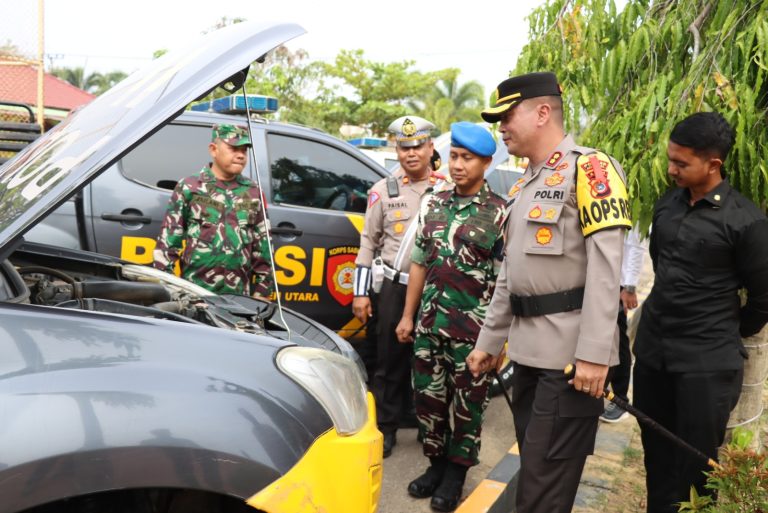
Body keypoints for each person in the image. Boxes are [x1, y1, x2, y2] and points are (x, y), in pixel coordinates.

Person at [466, 71, 631, 513]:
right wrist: (489, 342)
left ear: (542, 112)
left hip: (572, 362)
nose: (501, 127)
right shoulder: (525, 184)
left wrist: (596, 355)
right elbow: (510, 274)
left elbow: (605, 268)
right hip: (530, 358)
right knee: (538, 482)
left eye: (507, 116)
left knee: (542, 493)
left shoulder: (590, 168)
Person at [632, 112, 768, 513]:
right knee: (656, 457)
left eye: (681, 163)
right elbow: (660, 264)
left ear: (713, 164)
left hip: (707, 364)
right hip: (655, 353)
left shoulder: (745, 221)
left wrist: (727, 329)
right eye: (670, 159)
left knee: (697, 466)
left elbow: (762, 296)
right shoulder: (666, 205)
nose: (671, 169)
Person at [395, 122, 507, 512]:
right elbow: (420, 263)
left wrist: (497, 342)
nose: (458, 165)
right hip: (429, 326)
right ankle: (436, 465)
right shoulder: (434, 202)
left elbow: (504, 283)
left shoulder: (501, 213)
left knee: (468, 406)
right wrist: (408, 316)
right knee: (428, 402)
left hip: (472, 334)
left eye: (468, 158)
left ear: (487, 163)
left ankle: (457, 474)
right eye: (455, 157)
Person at [352, 115, 443, 458]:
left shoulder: (447, 188)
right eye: (404, 147)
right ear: (396, 149)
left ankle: (428, 424)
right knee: (388, 361)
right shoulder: (382, 191)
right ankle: (386, 428)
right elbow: (367, 244)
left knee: (431, 360)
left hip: (436, 290)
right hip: (394, 287)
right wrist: (360, 292)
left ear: (430, 147)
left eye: (418, 145)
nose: (411, 153)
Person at [153, 124, 274, 297]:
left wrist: (261, 295)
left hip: (239, 301)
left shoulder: (253, 193)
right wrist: (173, 294)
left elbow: (264, 252)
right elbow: (167, 247)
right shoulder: (189, 188)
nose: (240, 155)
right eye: (233, 148)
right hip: (194, 297)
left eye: (244, 150)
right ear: (213, 149)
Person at [601, 229, 647, 423]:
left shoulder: (629, 200)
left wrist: (629, 287)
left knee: (618, 337)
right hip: (602, 277)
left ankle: (621, 400)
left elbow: (636, 246)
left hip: (617, 282)